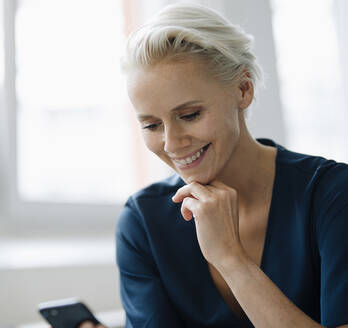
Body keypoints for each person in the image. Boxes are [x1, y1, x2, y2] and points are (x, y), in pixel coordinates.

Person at [112, 3, 348, 328]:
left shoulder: (332, 195)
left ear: (243, 89)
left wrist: (231, 259)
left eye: (189, 115)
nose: (171, 143)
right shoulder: (143, 223)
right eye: (152, 125)